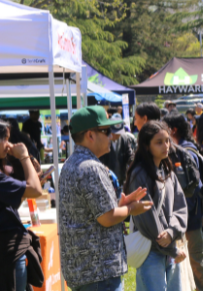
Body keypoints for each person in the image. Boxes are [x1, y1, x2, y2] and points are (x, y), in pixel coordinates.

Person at [58, 106, 153, 291]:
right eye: (106, 131)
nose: (111, 136)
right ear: (90, 135)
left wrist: (121, 205)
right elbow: (107, 218)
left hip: (83, 271)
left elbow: (90, 212)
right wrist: (132, 208)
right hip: (99, 272)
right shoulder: (92, 167)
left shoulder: (71, 163)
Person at [124, 121, 188, 291]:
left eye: (167, 140)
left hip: (169, 249)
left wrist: (172, 231)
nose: (166, 146)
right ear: (146, 145)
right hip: (150, 252)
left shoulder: (167, 171)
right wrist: (170, 245)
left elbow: (180, 207)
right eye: (159, 142)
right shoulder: (139, 173)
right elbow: (147, 214)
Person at [164, 113, 203, 291]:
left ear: (173, 130)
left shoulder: (183, 151)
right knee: (191, 258)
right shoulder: (187, 148)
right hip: (192, 213)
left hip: (188, 214)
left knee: (194, 257)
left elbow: (195, 186)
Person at [0, 120, 44, 291]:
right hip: (9, 253)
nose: (9, 144)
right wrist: (24, 156)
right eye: (6, 139)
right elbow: (35, 190)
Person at [100, 114, 137, 186]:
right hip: (106, 180)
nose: (117, 135)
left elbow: (129, 155)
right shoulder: (103, 141)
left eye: (119, 133)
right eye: (114, 133)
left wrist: (134, 162)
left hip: (121, 179)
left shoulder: (124, 138)